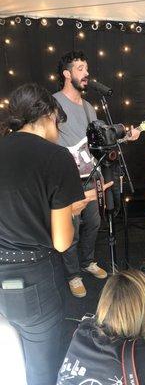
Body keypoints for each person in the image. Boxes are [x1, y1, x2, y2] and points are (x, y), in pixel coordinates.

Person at [0, 83, 89, 385]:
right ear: (50, 115)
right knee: (42, 369)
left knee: (8, 357)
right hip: (35, 280)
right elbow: (63, 241)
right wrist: (70, 214)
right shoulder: (56, 157)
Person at [54, 51, 139, 298]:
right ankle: (73, 275)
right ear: (67, 74)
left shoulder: (90, 107)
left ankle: (87, 262)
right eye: (80, 68)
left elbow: (101, 138)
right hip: (66, 181)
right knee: (72, 229)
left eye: (86, 68)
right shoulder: (54, 103)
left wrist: (126, 134)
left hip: (92, 177)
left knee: (93, 223)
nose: (86, 73)